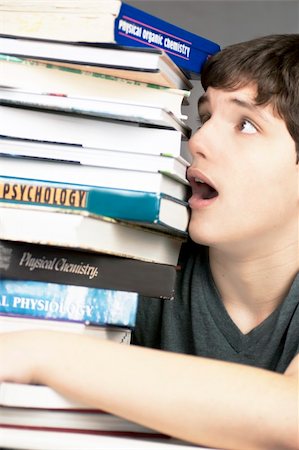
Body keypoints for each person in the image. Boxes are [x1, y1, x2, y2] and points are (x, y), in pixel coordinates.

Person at [0, 34, 298, 450]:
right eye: (205, 116)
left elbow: (291, 415)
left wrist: (38, 354)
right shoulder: (134, 258)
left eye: (246, 124)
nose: (197, 141)